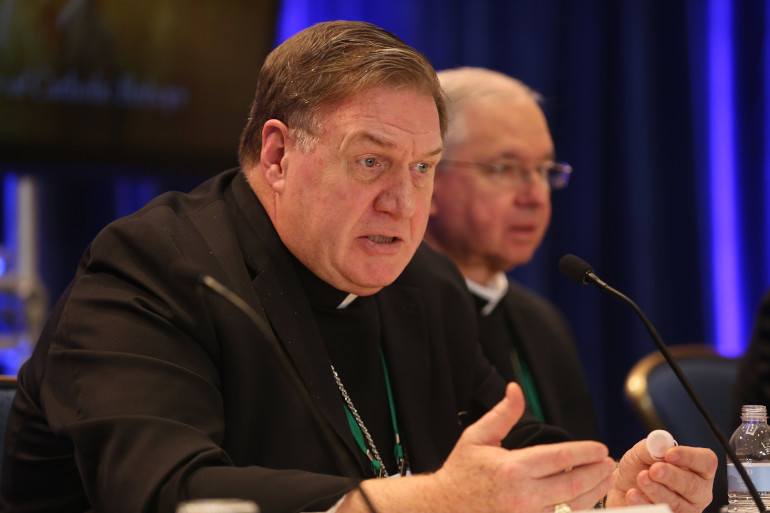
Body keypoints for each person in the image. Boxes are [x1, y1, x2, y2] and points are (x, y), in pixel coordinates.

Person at [0, 21, 716, 513]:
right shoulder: (153, 271)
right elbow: (171, 492)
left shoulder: (422, 284)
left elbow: (497, 454)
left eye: (424, 168)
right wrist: (429, 502)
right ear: (278, 155)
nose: (404, 204)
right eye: (370, 161)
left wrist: (604, 489)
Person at [424, 67, 598, 441]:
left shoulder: (544, 323)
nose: (535, 197)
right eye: (505, 169)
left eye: (543, 170)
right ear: (430, 179)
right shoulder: (391, 313)